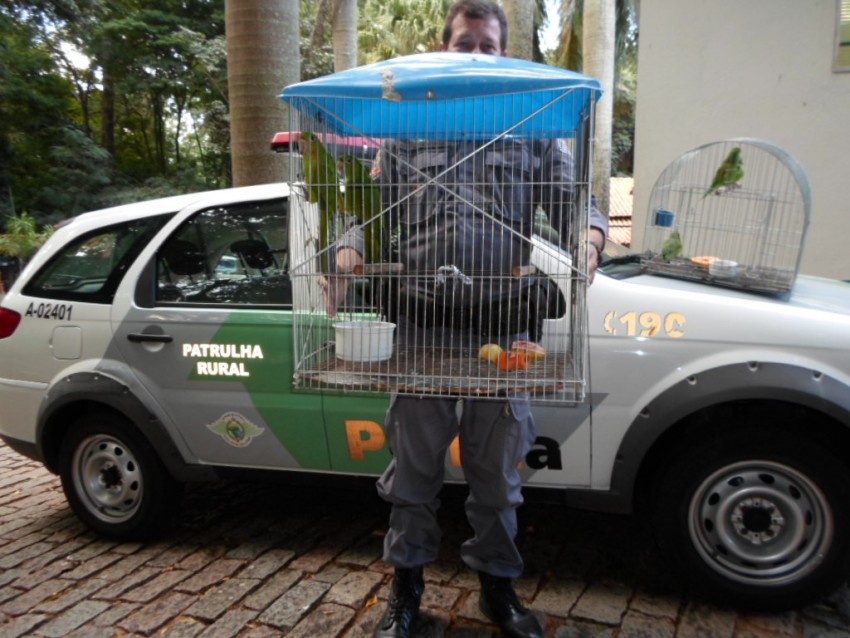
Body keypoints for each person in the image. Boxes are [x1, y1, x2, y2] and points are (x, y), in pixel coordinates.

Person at [325, 2, 608, 637]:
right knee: (414, 470)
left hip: (505, 328)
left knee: (497, 473)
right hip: (422, 324)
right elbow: (369, 217)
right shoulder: (406, 130)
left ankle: (498, 590)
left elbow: (573, 205)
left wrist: (588, 243)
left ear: (502, 54)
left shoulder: (535, 128)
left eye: (488, 46)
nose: (476, 54)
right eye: (465, 44)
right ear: (443, 48)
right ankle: (406, 591)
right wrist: (346, 256)